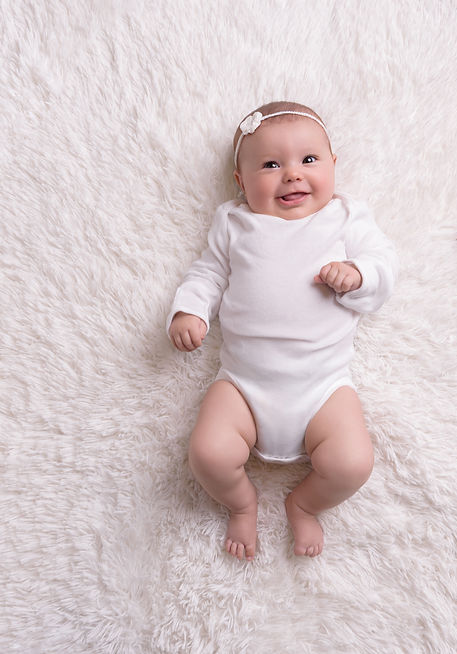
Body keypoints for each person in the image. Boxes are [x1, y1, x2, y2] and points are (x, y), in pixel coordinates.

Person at [167, 101, 397, 560]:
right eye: (271, 165)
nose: (292, 174)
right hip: (243, 386)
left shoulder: (346, 217)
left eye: (309, 160)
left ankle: (305, 504)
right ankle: (241, 502)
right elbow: (208, 274)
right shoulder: (235, 222)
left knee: (352, 463)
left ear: (334, 165)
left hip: (323, 386)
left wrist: (359, 275)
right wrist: (189, 311)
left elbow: (385, 266)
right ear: (241, 181)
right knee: (208, 454)